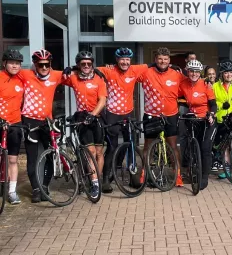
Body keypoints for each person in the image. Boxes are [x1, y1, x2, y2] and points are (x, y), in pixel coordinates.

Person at [95, 47, 148, 193]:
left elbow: (152, 67)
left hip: (128, 114)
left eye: (127, 60)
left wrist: (172, 67)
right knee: (112, 147)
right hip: (112, 114)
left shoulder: (135, 70)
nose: (125, 62)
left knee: (131, 145)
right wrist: (72, 68)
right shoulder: (109, 70)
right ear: (117, 60)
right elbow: (88, 68)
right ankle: (105, 180)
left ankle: (133, 176)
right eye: (122, 59)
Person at [19, 49, 65, 203]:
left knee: (51, 155)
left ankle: (45, 186)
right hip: (29, 121)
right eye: (41, 65)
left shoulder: (56, 75)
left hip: (47, 122)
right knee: (32, 159)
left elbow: (77, 76)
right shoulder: (25, 75)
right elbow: (8, 74)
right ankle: (36, 190)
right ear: (35, 64)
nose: (44, 68)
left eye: (47, 64)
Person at [137, 47, 186, 187]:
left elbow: (190, 85)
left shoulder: (176, 74)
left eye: (165, 59)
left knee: (172, 146)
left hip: (171, 115)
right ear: (155, 59)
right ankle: (144, 173)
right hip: (151, 115)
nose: (162, 61)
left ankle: (177, 175)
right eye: (160, 59)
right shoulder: (147, 72)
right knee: (147, 146)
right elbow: (129, 73)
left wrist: (206, 83)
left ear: (169, 60)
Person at [64, 51, 107, 198]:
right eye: (83, 63)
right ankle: (94, 183)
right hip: (82, 117)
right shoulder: (74, 78)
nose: (87, 66)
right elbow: (50, 76)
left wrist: (93, 115)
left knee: (100, 152)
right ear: (78, 65)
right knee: (91, 152)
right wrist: (68, 69)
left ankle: (97, 180)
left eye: (89, 63)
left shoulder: (99, 79)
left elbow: (102, 100)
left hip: (97, 116)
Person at [178, 59, 217, 190]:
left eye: (196, 72)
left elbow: (213, 104)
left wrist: (211, 114)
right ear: (187, 72)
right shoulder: (183, 84)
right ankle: (192, 170)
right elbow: (178, 97)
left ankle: (204, 177)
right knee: (193, 146)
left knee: (205, 148)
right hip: (193, 119)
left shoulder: (206, 84)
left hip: (206, 120)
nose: (194, 74)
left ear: (200, 73)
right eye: (191, 71)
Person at [0, 50, 24, 205]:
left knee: (13, 159)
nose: (15, 66)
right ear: (4, 64)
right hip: (0, 122)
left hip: (15, 124)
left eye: (17, 63)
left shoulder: (21, 79)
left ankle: (12, 191)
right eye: (12, 63)